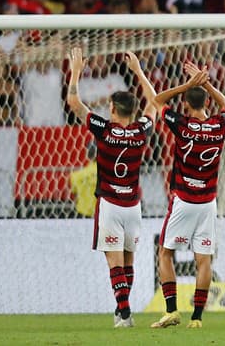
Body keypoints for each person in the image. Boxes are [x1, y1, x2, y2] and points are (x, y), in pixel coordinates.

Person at [66, 48, 158, 328]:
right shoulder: (142, 130)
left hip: (109, 204)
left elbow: (73, 101)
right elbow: (154, 103)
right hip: (132, 206)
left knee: (114, 264)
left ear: (114, 110)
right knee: (128, 263)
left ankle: (125, 313)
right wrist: (139, 71)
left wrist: (77, 71)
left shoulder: (103, 129)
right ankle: (123, 311)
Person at [150, 62, 225, 329]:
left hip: (184, 199)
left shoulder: (181, 124)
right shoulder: (219, 126)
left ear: (186, 104)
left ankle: (172, 310)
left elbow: (157, 99)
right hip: (208, 202)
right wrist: (207, 83)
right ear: (206, 101)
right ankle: (197, 318)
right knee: (203, 260)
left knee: (165, 253)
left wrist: (187, 85)